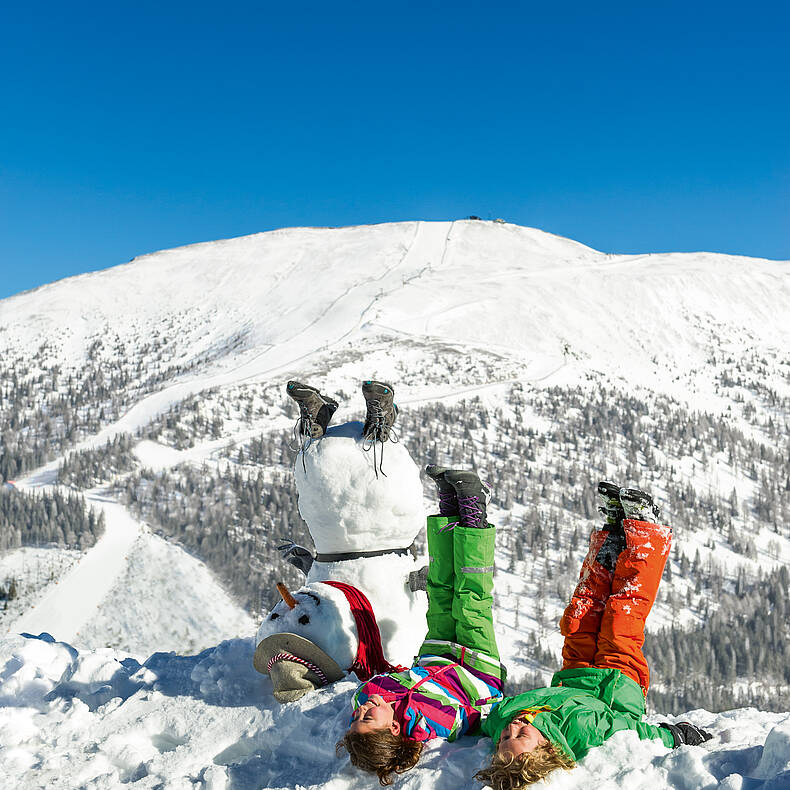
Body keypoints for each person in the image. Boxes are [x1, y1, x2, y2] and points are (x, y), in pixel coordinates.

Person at [476, 482, 712, 790]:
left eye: (506, 738)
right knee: (621, 613)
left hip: (575, 671)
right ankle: (644, 532)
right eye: (520, 737)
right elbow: (631, 732)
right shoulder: (581, 731)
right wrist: (676, 735)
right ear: (547, 747)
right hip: (616, 683)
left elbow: (479, 719)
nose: (513, 729)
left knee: (580, 611)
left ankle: (614, 533)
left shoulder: (502, 719)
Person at [336, 465, 507, 786]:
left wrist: (366, 708)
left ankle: (449, 505)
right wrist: (494, 701)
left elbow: (366, 696)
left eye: (355, 719)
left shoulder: (370, 696)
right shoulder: (429, 723)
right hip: (477, 668)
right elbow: (473, 720)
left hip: (437, 654)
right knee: (471, 598)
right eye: (367, 717)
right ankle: (473, 511)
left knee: (440, 589)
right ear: (395, 729)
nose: (362, 711)